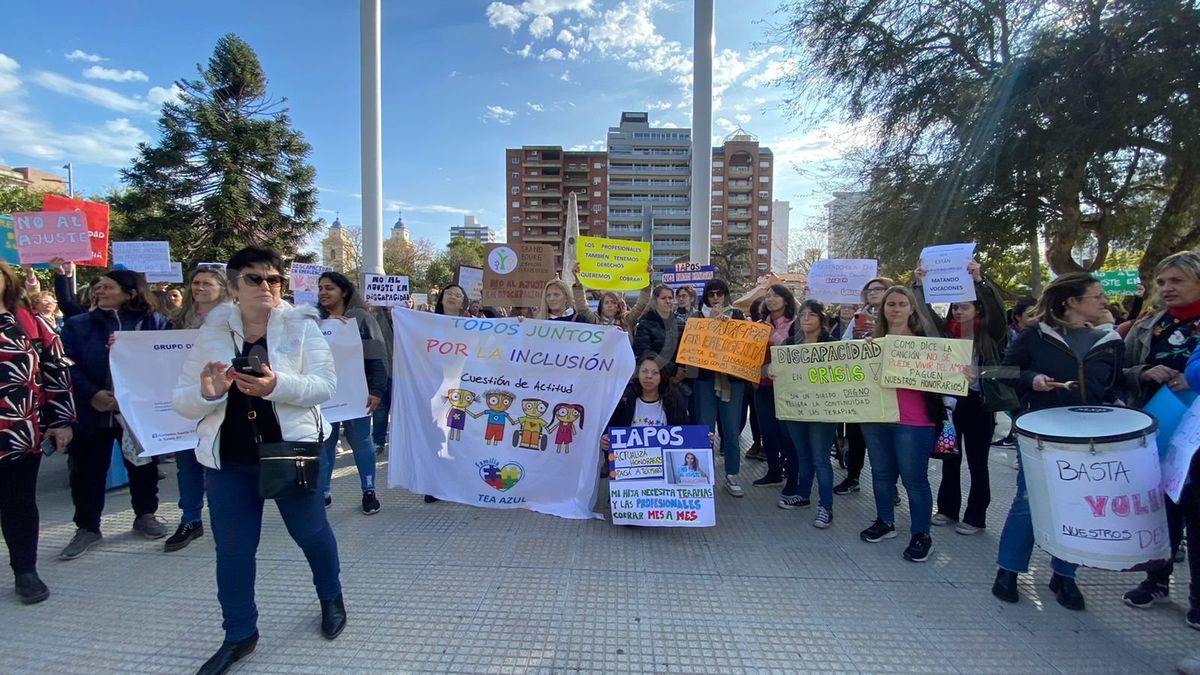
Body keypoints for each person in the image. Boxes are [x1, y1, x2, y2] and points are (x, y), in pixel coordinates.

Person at [173, 246, 345, 674]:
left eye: (274, 279)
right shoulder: (211, 333)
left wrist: (275, 385)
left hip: (290, 453)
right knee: (232, 551)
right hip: (229, 460)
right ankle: (239, 634)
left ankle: (331, 596)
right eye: (255, 279)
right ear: (233, 287)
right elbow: (183, 401)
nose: (267, 286)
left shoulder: (301, 326)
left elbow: (324, 386)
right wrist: (208, 394)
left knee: (311, 533)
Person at [992, 272, 1123, 610]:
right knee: (1028, 500)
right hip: (1040, 433)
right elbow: (1003, 372)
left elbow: (1115, 385)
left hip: (1090, 438)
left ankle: (1064, 574)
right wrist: (1032, 379)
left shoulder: (1109, 340)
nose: (1104, 301)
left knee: (1077, 505)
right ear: (1072, 302)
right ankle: (1008, 570)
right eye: (1096, 295)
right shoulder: (1035, 336)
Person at [58, 270, 171, 561]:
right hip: (91, 412)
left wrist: (136, 395)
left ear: (131, 292)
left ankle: (145, 514)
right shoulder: (77, 325)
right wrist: (92, 394)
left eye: (108, 287)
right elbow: (66, 364)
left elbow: (166, 361)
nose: (99, 291)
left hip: (136, 412)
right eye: (98, 287)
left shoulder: (155, 324)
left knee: (143, 467)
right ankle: (87, 527)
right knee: (86, 471)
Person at [1119, 252, 1200, 617]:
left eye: (1177, 281)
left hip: (1196, 438)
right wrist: (1145, 372)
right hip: (1157, 427)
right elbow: (1122, 368)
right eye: (1162, 282)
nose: (1167, 288)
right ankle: (1156, 582)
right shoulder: (1150, 324)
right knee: (1160, 508)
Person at [914, 260, 1016, 535]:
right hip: (949, 408)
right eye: (955, 307)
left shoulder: (990, 335)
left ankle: (976, 516)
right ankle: (947, 508)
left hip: (978, 406)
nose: (958, 312)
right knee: (950, 457)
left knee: (977, 461)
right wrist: (920, 286)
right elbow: (925, 315)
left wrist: (980, 282)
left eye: (964, 307)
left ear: (978, 309)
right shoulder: (945, 334)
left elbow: (1010, 368)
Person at [0, 262, 75, 604]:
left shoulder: (28, 321)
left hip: (17, 433)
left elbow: (56, 371)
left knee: (18, 504)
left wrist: (61, 421)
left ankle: (25, 571)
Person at [858, 286, 947, 562]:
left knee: (914, 480)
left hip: (915, 421)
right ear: (883, 310)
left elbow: (948, 372)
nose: (895, 309)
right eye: (890, 304)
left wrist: (960, 373)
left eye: (901, 304)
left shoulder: (927, 342)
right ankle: (885, 521)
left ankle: (921, 534)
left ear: (912, 309)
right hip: (877, 418)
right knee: (881, 474)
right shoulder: (872, 342)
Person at [164, 266, 230, 553]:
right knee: (186, 462)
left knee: (220, 463)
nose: (199, 288)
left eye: (207, 283)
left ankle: (226, 518)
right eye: (195, 283)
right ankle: (190, 518)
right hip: (189, 398)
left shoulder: (234, 319)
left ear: (222, 288)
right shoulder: (178, 319)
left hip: (223, 403)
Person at [316, 271, 387, 514]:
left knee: (361, 442)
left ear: (344, 291)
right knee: (326, 443)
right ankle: (324, 492)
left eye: (330, 288)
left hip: (357, 392)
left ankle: (369, 490)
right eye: (321, 288)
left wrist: (377, 389)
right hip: (324, 395)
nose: (324, 292)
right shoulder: (313, 321)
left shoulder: (361, 318)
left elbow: (377, 355)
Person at [773, 300, 836, 528]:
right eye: (802, 315)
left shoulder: (832, 344)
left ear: (821, 318)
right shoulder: (790, 343)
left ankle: (826, 506)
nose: (806, 319)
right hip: (797, 408)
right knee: (803, 456)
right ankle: (803, 494)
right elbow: (780, 371)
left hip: (822, 410)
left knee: (821, 459)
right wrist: (773, 372)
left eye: (811, 315)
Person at [834, 277, 896, 496]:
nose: (872, 293)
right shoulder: (859, 315)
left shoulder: (897, 316)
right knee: (856, 433)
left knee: (887, 440)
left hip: (888, 384)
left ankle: (891, 487)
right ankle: (853, 477)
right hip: (860, 382)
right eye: (869, 290)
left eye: (878, 289)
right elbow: (844, 342)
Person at [688, 278, 748, 498]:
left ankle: (732, 474)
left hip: (731, 381)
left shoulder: (738, 315)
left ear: (725, 295)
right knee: (705, 430)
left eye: (719, 293)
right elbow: (691, 348)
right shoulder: (696, 317)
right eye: (711, 294)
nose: (715, 297)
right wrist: (710, 326)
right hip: (704, 381)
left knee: (732, 431)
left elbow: (744, 346)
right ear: (706, 296)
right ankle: (705, 473)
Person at [753, 284, 798, 488]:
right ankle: (773, 471)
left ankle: (791, 468)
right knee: (768, 430)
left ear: (786, 300)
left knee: (786, 432)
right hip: (761, 384)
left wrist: (773, 336)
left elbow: (794, 351)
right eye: (768, 296)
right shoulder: (759, 324)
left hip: (785, 386)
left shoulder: (795, 323)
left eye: (776, 296)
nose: (770, 299)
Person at [633, 285, 686, 373]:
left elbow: (686, 350)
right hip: (654, 375)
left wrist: (681, 370)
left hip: (681, 376)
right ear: (655, 301)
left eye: (670, 298)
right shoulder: (645, 323)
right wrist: (673, 370)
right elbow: (645, 352)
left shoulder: (681, 323)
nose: (668, 301)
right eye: (663, 298)